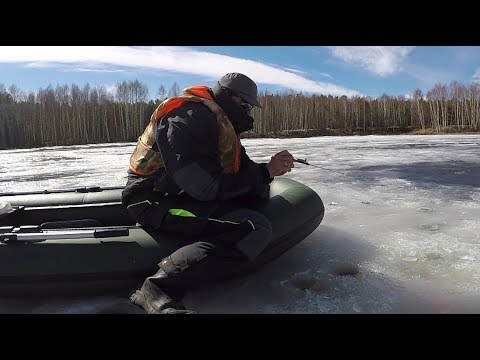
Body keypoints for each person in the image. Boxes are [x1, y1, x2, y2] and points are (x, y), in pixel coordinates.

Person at [121, 72, 295, 314]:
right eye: (245, 105)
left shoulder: (220, 123)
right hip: (152, 199)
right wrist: (264, 173)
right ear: (229, 98)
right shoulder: (186, 119)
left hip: (182, 193)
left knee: (257, 197)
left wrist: (267, 172)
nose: (248, 113)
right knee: (253, 227)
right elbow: (204, 187)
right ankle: (155, 288)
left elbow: (240, 173)